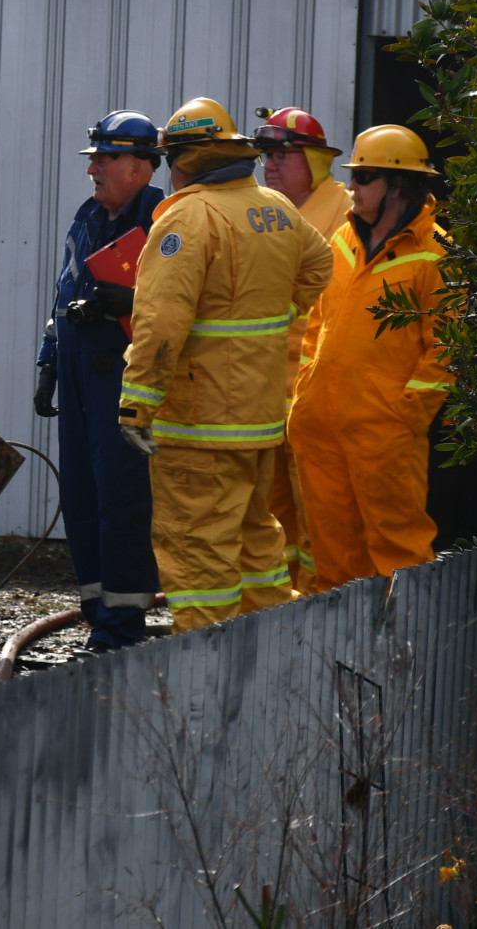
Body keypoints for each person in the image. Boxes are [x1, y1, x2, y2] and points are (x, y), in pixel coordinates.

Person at [117, 98, 333, 633]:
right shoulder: (275, 208)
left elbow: (161, 322)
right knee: (259, 549)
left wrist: (137, 402)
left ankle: (201, 688)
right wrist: (278, 315)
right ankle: (277, 670)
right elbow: (320, 262)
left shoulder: (189, 218)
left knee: (198, 558)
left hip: (198, 427)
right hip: (257, 423)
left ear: (186, 161)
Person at [287, 125, 451, 589]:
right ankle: (336, 657)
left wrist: (403, 418)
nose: (351, 188)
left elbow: (447, 350)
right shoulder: (343, 240)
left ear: (397, 185)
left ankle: (405, 654)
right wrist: (304, 398)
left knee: (398, 551)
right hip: (319, 428)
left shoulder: (436, 254)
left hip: (384, 436)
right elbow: (317, 325)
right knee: (330, 555)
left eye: (363, 178)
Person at [34, 111, 166, 650]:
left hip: (123, 375)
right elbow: (64, 292)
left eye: (105, 159)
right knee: (83, 498)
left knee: (122, 502)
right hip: (78, 371)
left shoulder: (163, 219)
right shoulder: (88, 216)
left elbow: (180, 307)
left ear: (138, 166)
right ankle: (97, 611)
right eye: (94, 160)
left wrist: (132, 303)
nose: (94, 170)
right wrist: (48, 359)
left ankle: (119, 626)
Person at [252, 106, 350, 593]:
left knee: (317, 511)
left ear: (314, 161)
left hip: (317, 392)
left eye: (282, 155)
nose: (269, 165)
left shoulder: (346, 210)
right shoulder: (266, 213)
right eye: (266, 156)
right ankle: (278, 608)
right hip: (270, 391)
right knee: (273, 515)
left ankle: (316, 604)